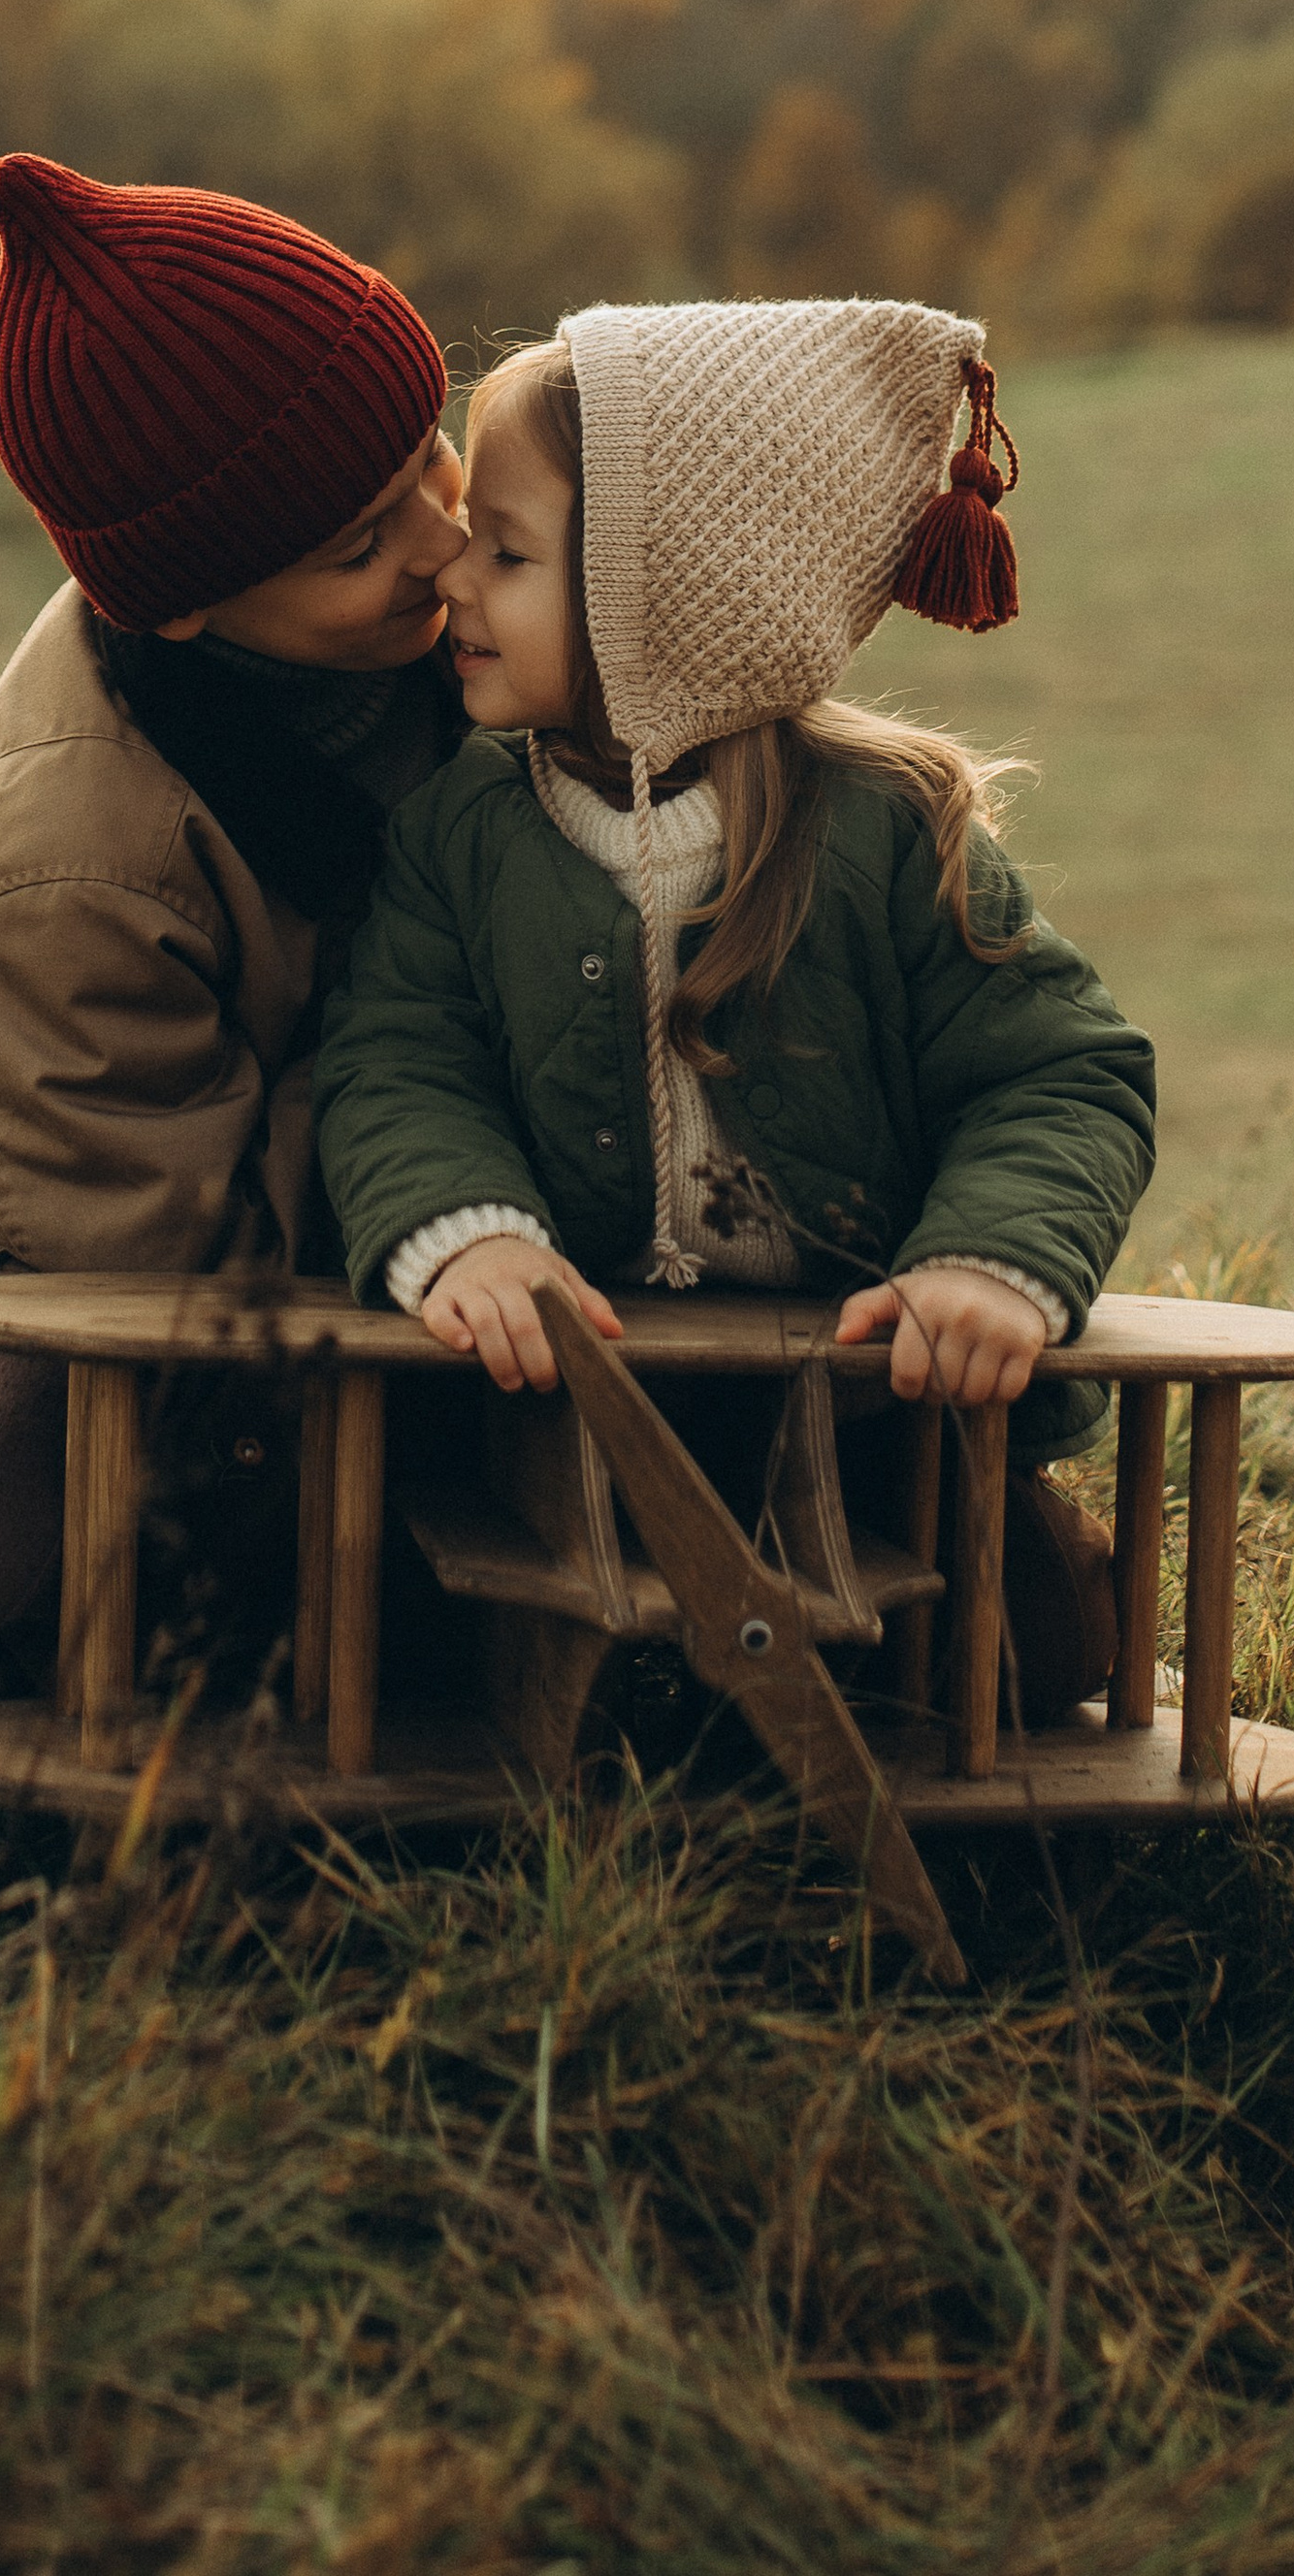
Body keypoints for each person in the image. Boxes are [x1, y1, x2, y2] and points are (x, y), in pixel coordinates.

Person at [310, 298, 1157, 1720]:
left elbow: (1062, 1076)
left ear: (674, 602)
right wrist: (463, 1232)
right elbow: (398, 1057)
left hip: (873, 1396)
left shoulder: (892, 832)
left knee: (1024, 1660)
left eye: (508, 552)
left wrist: (991, 1261)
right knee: (433, 1634)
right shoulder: (461, 830)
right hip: (569, 1396)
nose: (453, 570)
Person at [0, 152, 466, 1662]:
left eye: (434, 457)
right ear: (181, 604)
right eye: (360, 545)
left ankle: (374, 1520)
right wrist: (459, 1076)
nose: (442, 541)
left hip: (335, 1164)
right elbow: (176, 1254)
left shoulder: (421, 617)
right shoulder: (61, 873)